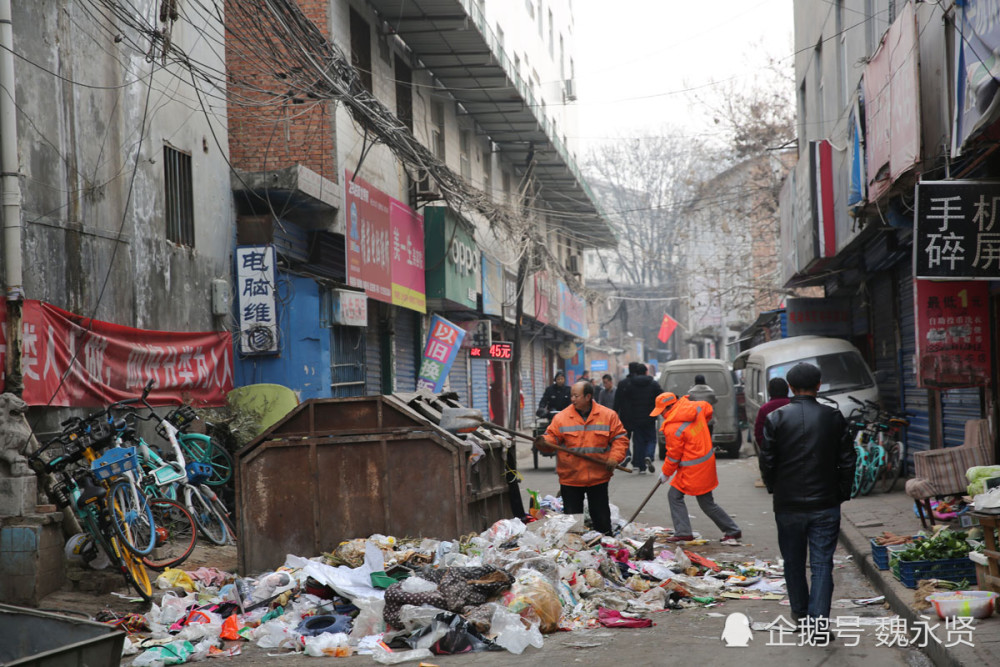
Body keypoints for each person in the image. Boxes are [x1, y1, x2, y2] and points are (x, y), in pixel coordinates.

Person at [760, 362, 855, 638]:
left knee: (793, 561)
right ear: (818, 385)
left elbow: (767, 461)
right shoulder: (833, 417)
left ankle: (801, 615)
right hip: (825, 503)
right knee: (822, 564)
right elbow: (848, 460)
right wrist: (842, 493)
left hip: (787, 503)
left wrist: (774, 488)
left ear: (790, 387)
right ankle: (818, 625)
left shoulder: (776, 418)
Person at [534, 381, 629, 534]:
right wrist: (544, 442)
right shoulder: (562, 417)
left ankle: (605, 543)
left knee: (601, 516)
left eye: (576, 396)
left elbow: (620, 439)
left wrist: (615, 457)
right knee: (573, 520)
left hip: (598, 476)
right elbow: (552, 437)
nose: (572, 399)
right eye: (571, 395)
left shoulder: (608, 415)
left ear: (588, 396)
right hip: (571, 476)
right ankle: (575, 548)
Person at [652, 392, 741, 543]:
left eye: (662, 411)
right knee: (705, 502)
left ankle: (684, 532)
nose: (662, 414)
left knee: (677, 497)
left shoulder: (673, 427)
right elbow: (708, 409)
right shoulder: (696, 407)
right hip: (704, 463)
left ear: (670, 406)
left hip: (693, 468)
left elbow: (674, 455)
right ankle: (731, 530)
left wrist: (666, 473)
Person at [614, 363, 662, 473]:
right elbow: (661, 397)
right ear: (646, 372)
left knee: (639, 442)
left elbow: (625, 401)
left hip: (635, 418)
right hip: (650, 417)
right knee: (651, 439)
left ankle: (641, 466)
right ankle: (649, 456)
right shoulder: (653, 384)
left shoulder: (630, 385)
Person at [753, 377, 791, 451]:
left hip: (774, 452)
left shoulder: (764, 409)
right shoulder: (794, 404)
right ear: (787, 389)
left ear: (769, 391)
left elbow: (759, 433)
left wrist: (766, 451)